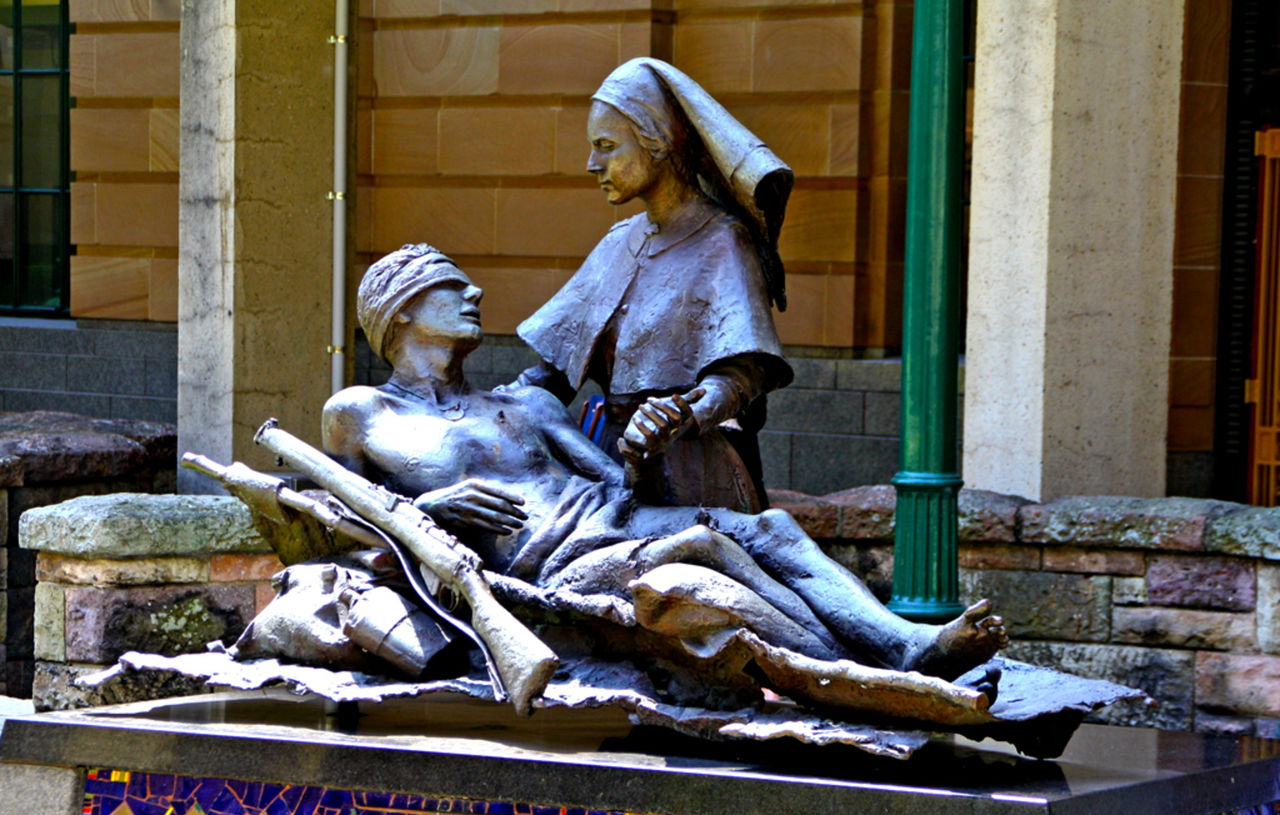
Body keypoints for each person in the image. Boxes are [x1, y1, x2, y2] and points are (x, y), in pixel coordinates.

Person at [323, 245, 1006, 686]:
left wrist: (642, 451)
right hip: (550, 566)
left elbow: (621, 486)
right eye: (453, 287)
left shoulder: (524, 403)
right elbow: (329, 524)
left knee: (766, 525)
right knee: (703, 545)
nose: (476, 293)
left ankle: (899, 644)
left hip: (616, 521)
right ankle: (867, 671)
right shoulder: (358, 413)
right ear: (403, 308)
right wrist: (429, 512)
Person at [516, 58, 795, 513]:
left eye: (606, 146)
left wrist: (681, 414)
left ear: (658, 142)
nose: (592, 164)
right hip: (604, 462)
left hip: (690, 472)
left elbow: (742, 373)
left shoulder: (723, 240)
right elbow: (553, 372)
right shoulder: (615, 243)